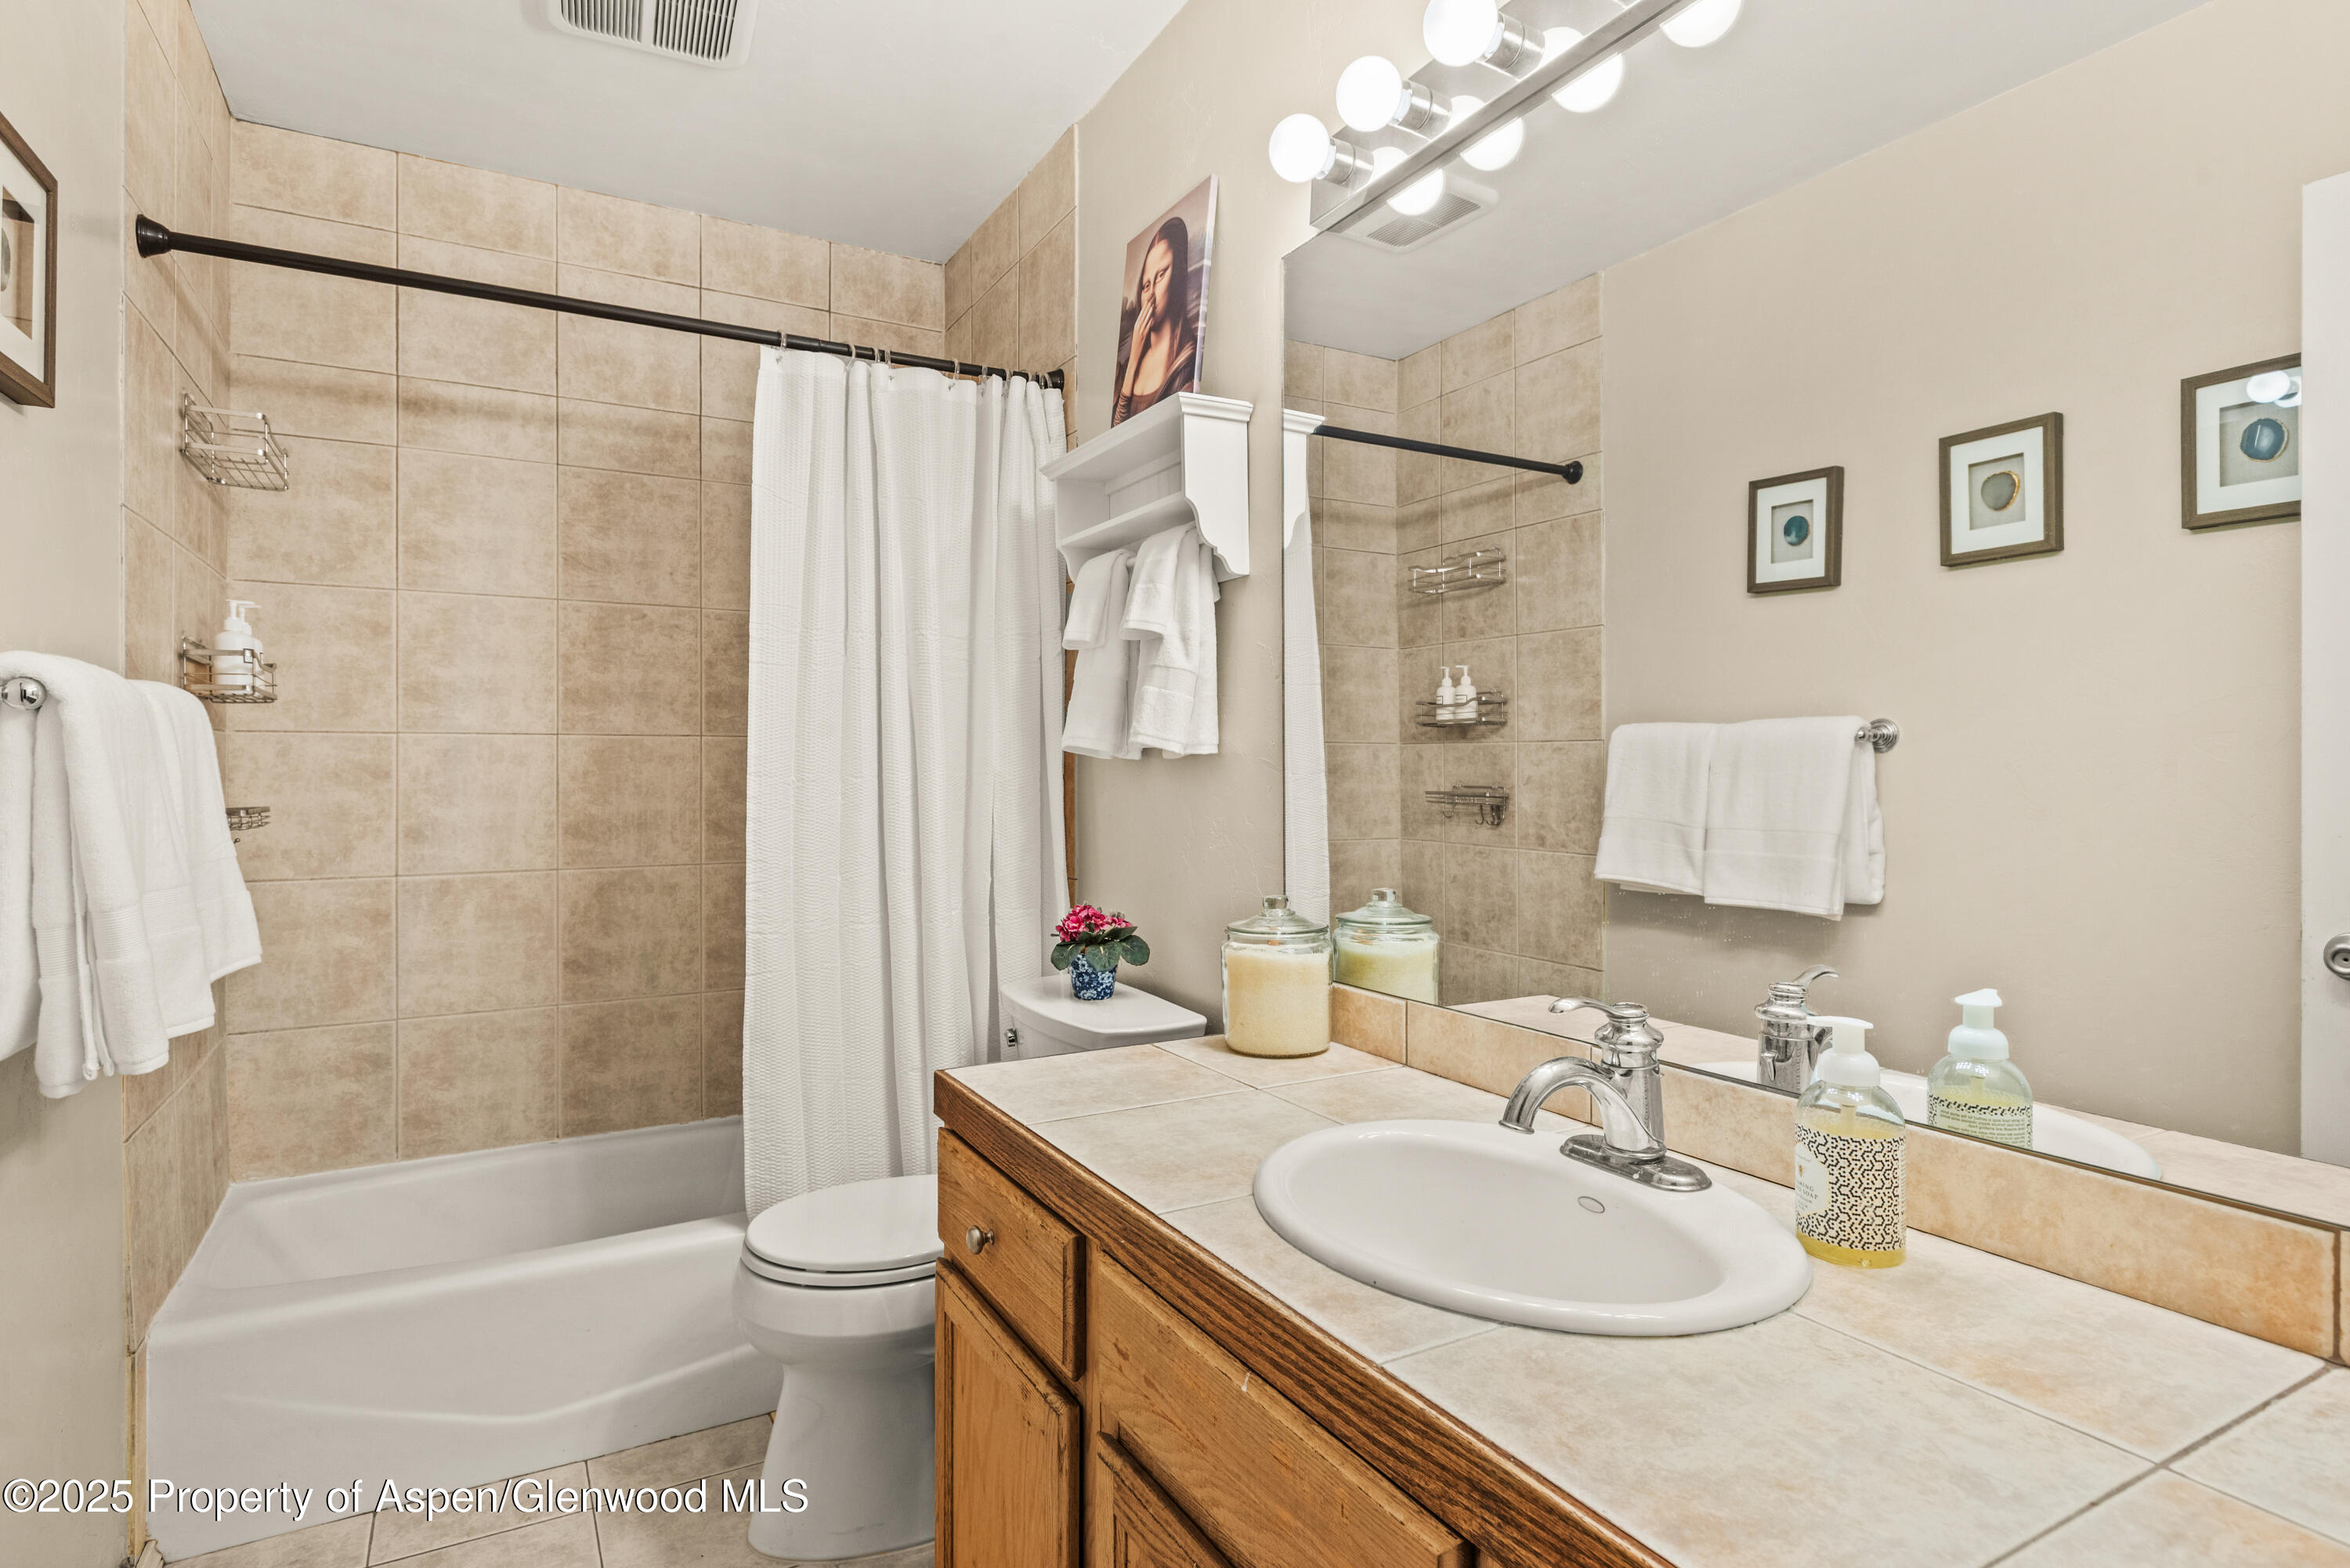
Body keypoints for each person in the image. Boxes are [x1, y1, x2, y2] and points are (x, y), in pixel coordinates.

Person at [1111, 216, 1199, 425]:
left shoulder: (1187, 364)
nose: (1151, 295)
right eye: (1146, 285)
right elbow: (1118, 429)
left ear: (1177, 274)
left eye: (1160, 276)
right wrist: (1134, 358)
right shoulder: (1130, 363)